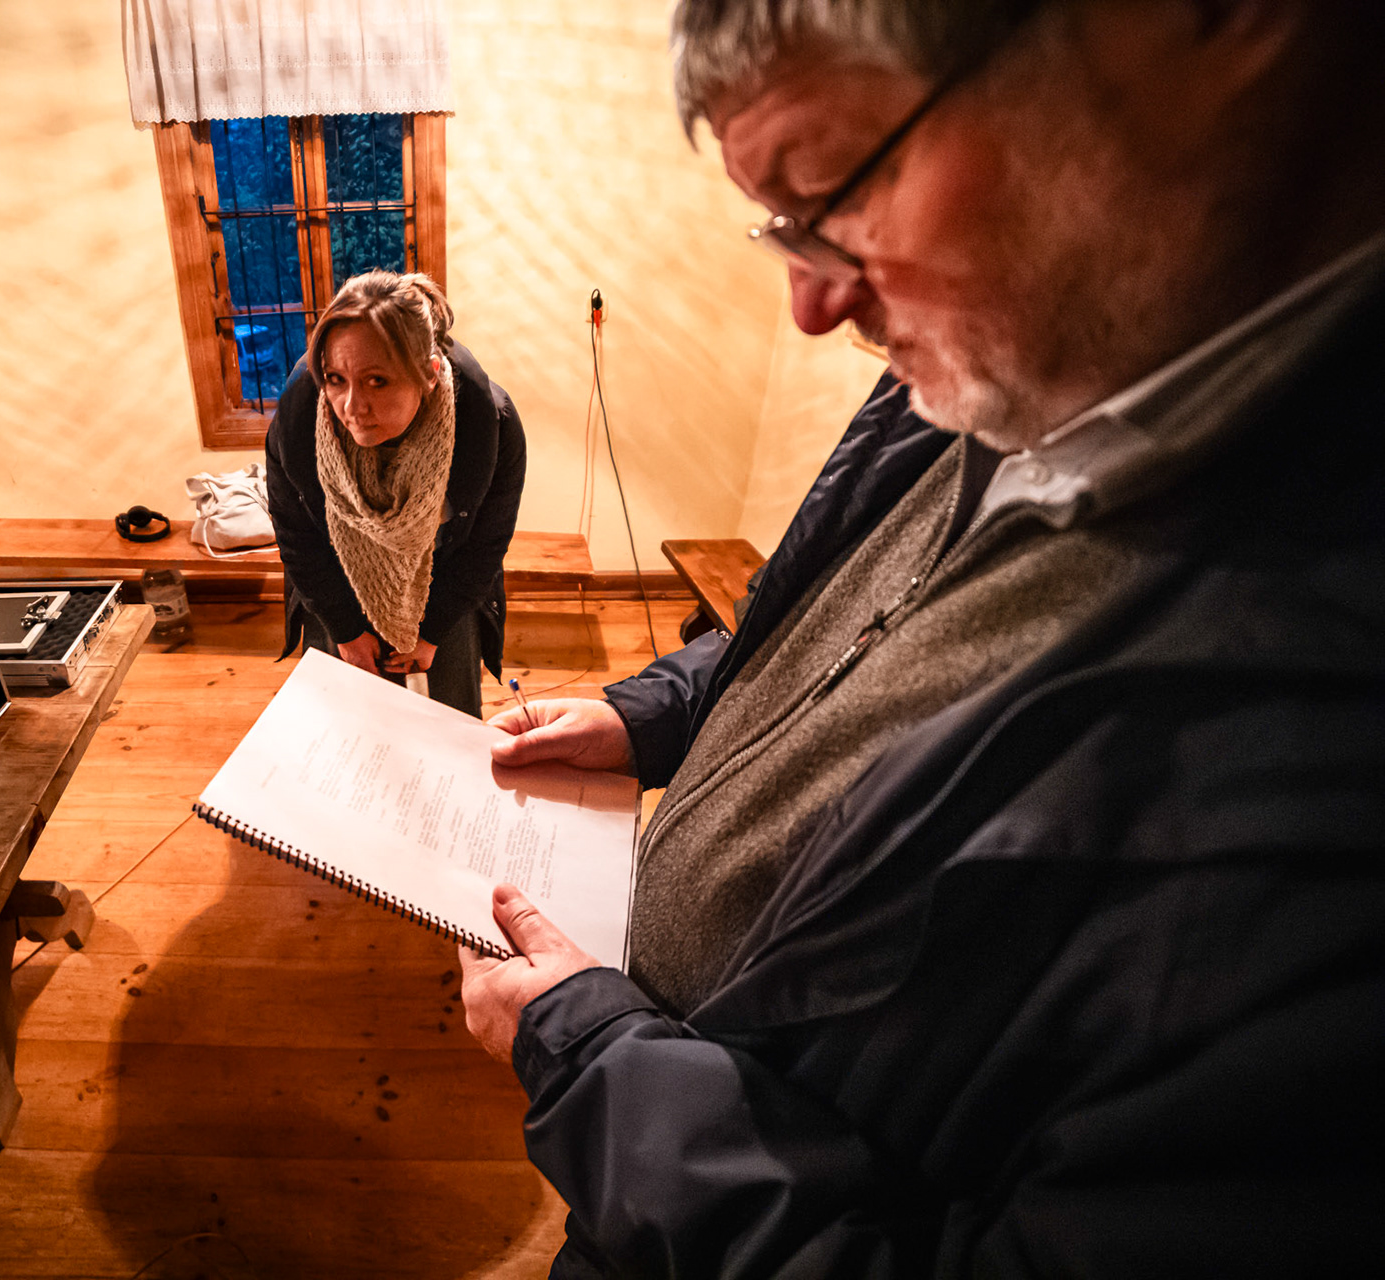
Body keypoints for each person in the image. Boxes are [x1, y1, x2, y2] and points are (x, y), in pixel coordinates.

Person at [458, 1, 1385, 1275]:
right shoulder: (1003, 361)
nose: (812, 302)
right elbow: (856, 637)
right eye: (784, 226)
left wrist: (596, 1061)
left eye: (833, 187)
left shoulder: (1326, 766)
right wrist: (652, 711)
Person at [265, 270, 526, 717]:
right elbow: (297, 536)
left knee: (445, 724)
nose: (352, 407)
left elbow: (485, 542)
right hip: (334, 584)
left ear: (428, 375)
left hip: (445, 587)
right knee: (343, 726)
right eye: (335, 378)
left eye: (378, 381)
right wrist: (346, 630)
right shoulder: (298, 419)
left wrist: (432, 633)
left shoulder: (488, 423)